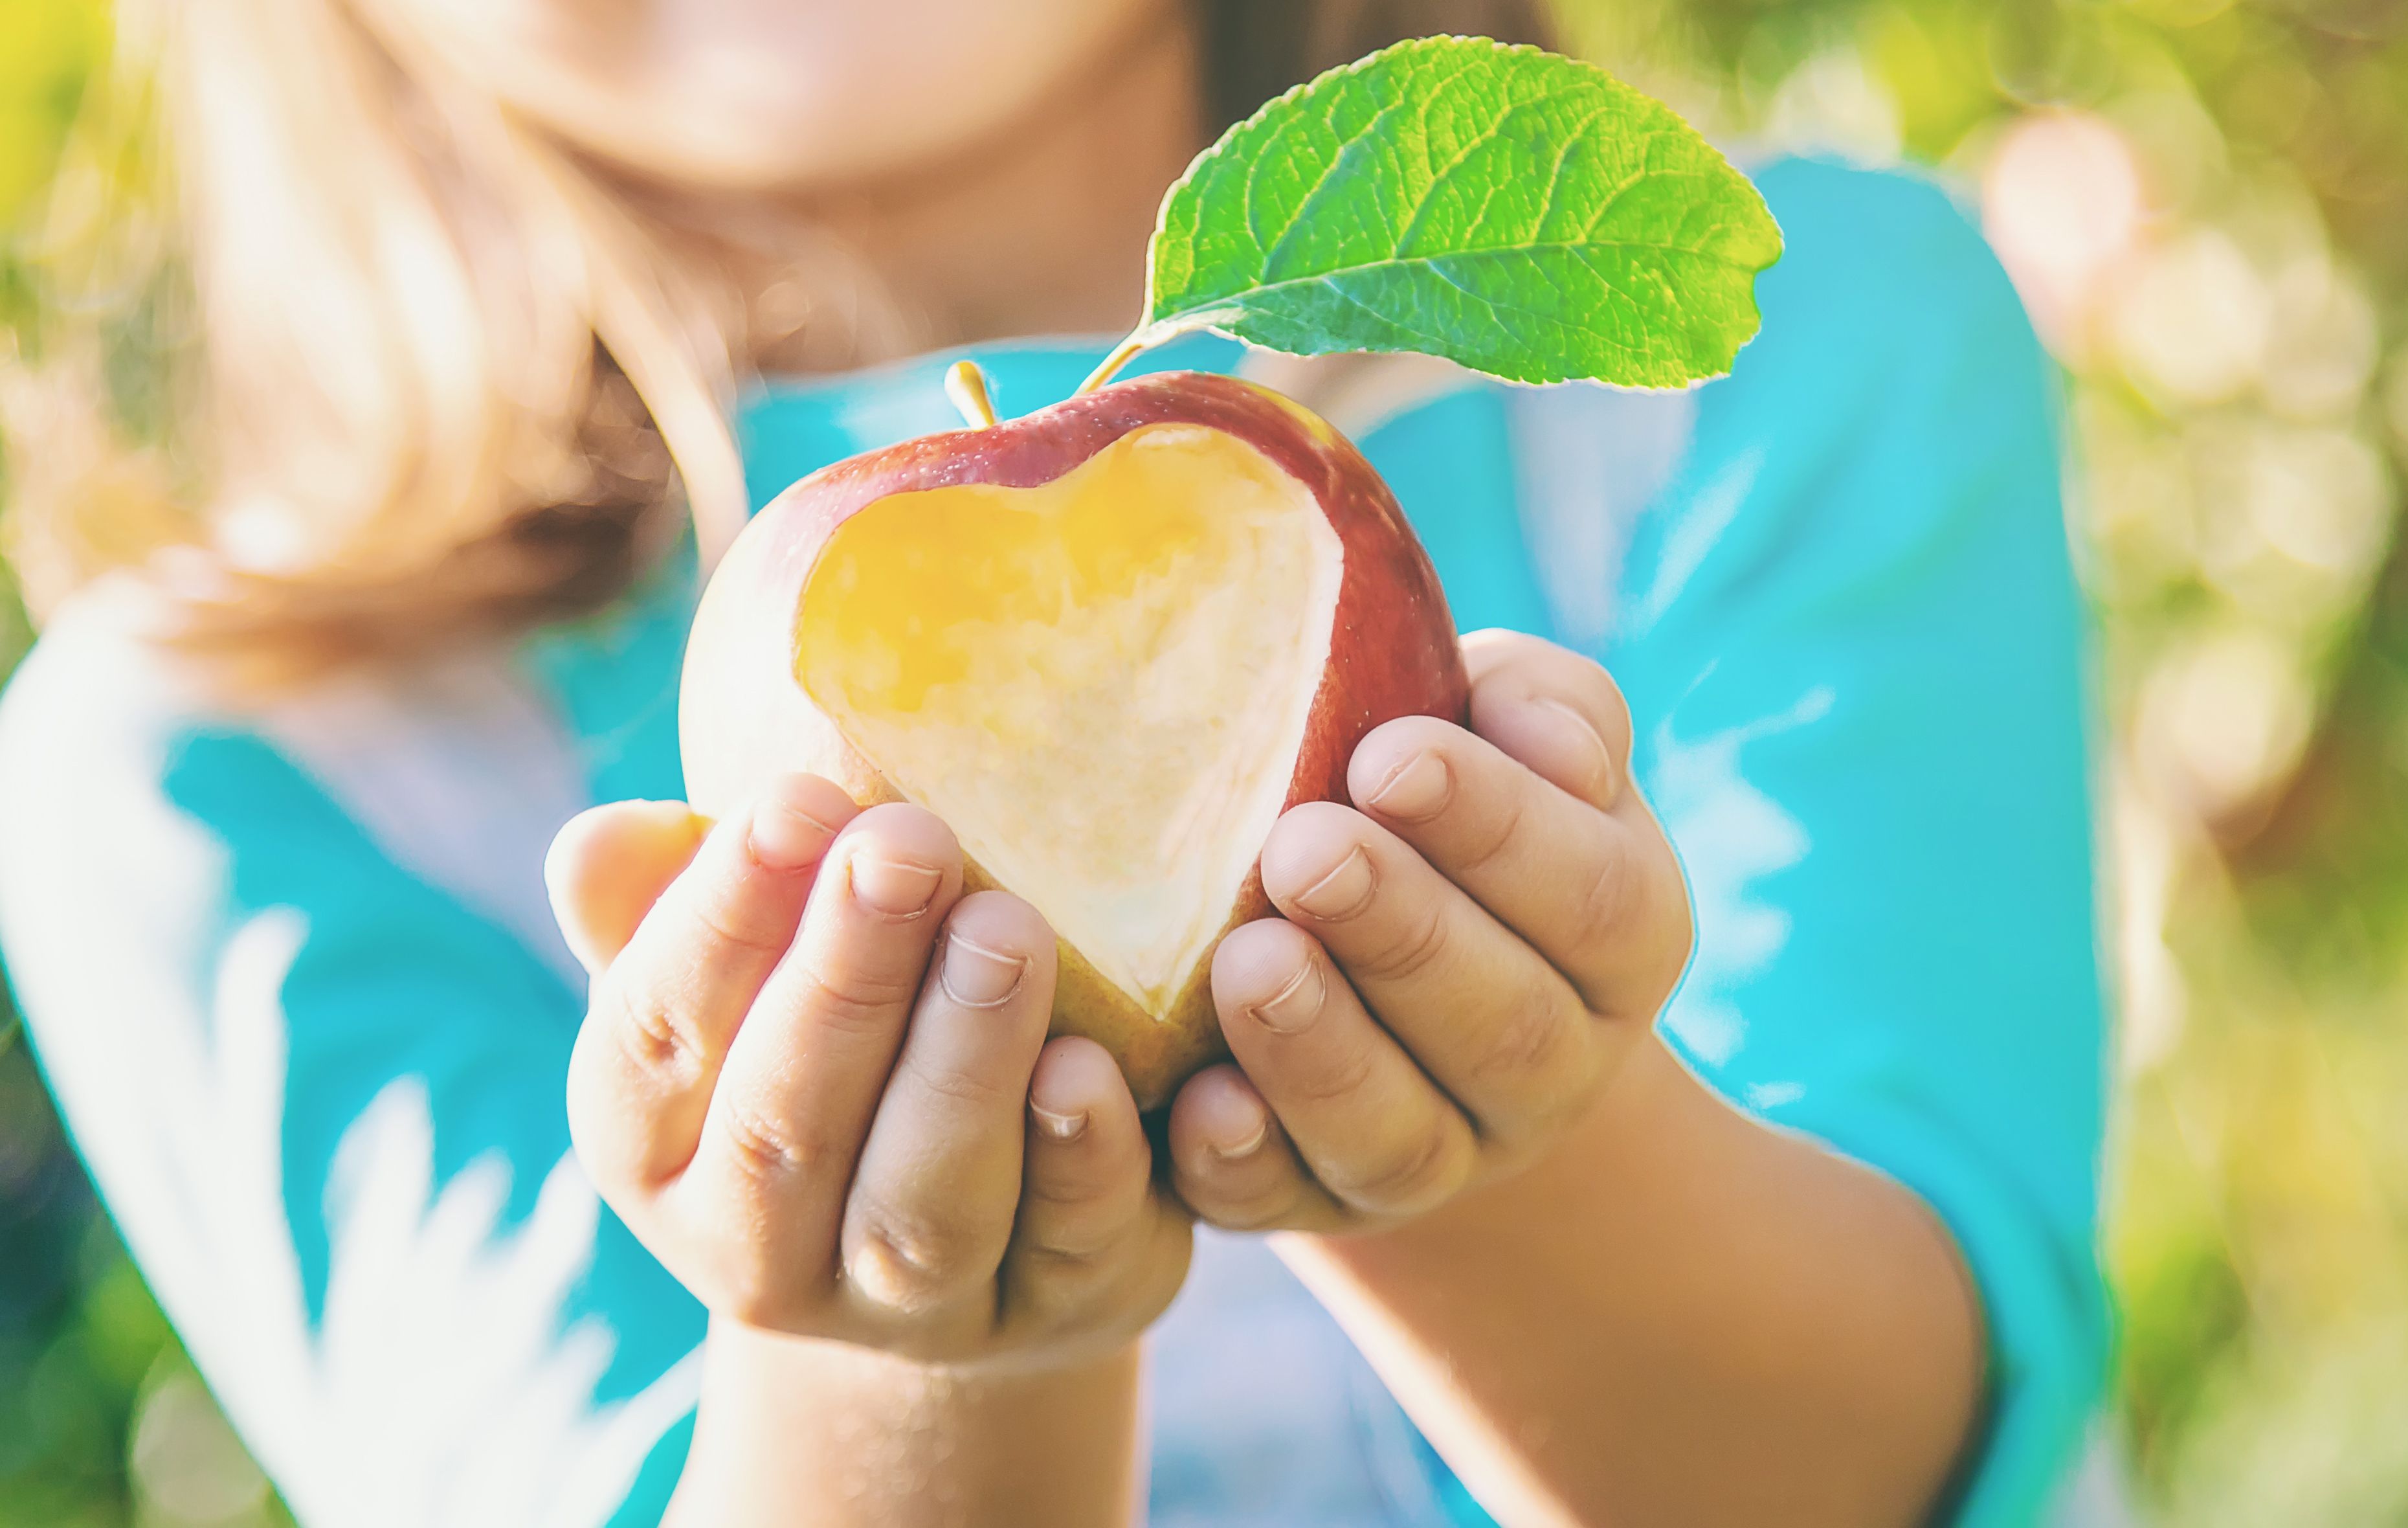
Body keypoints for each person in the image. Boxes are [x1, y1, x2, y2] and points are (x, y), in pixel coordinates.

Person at [0, 0, 2107, 1523]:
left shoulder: (1758, 357)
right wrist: (907, 1344)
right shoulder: (224, 766)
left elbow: (1872, 1459)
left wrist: (1486, 1124)